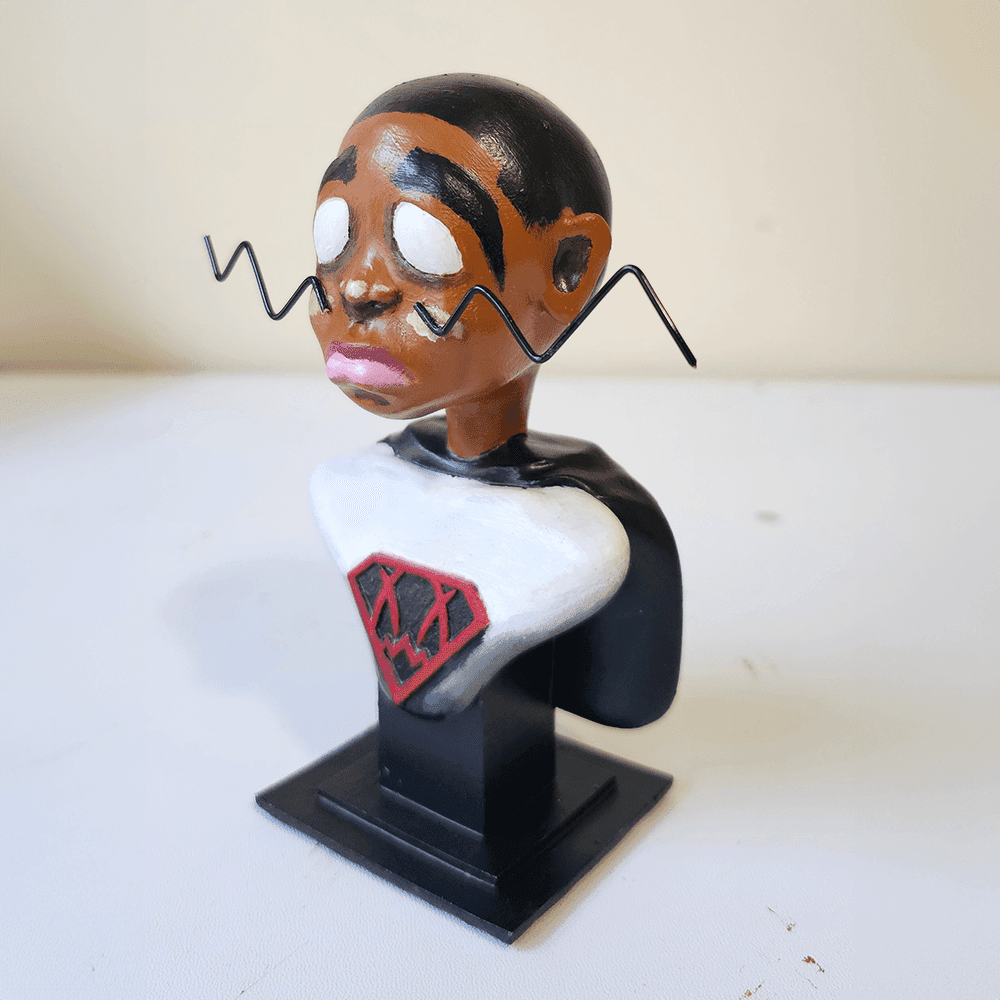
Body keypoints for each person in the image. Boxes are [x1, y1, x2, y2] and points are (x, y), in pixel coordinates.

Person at [307, 74, 682, 730]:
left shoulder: (589, 541)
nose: (358, 288)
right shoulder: (352, 488)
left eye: (423, 244)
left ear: (569, 269)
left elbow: (629, 699)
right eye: (335, 237)